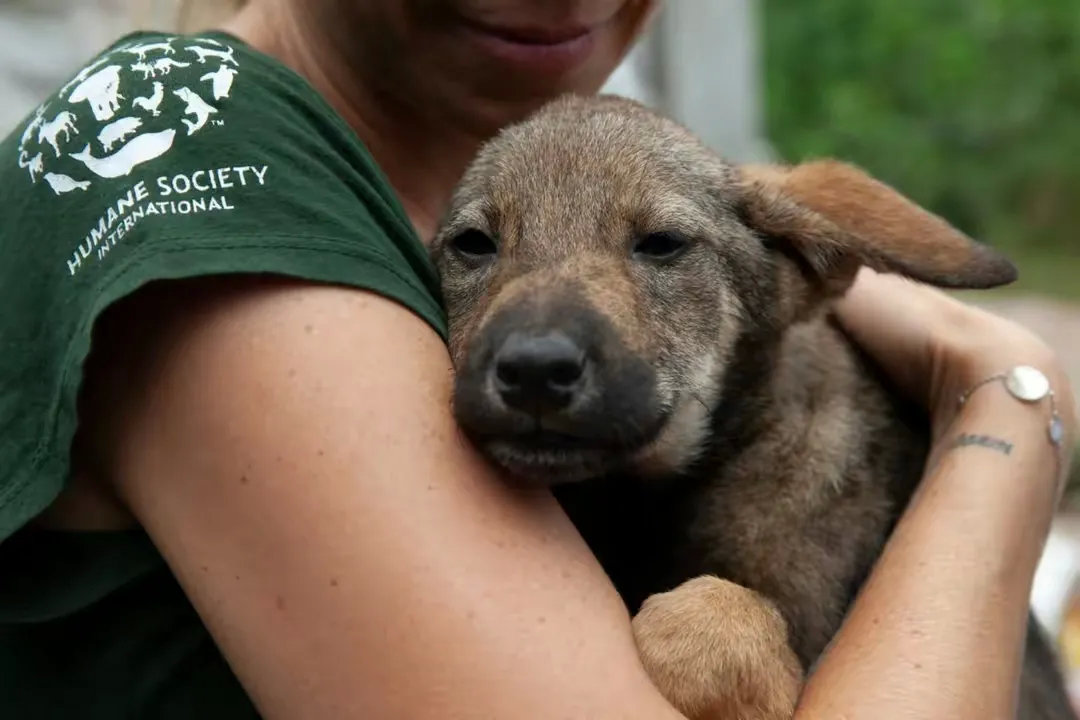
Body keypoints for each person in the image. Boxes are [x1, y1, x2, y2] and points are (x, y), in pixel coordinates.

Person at [0, 1, 1073, 718]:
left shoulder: (483, 161)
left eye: (656, 244)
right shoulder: (213, 171)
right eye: (473, 248)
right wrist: (1011, 415)